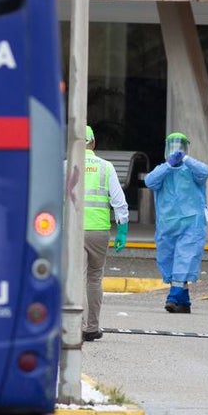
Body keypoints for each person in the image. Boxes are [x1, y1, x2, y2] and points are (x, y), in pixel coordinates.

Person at [144, 131, 208, 313]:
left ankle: (173, 297)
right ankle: (184, 302)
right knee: (168, 259)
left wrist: (186, 159)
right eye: (172, 147)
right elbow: (149, 181)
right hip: (167, 225)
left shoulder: (192, 169)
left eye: (180, 147)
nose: (176, 151)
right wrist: (168, 165)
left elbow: (205, 172)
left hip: (191, 224)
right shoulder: (163, 170)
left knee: (184, 258)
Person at [81, 125, 129, 342]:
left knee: (76, 279)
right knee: (94, 278)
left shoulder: (64, 166)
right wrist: (123, 230)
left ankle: (75, 326)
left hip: (72, 233)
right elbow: (119, 202)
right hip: (99, 232)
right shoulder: (106, 167)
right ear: (93, 143)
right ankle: (92, 327)